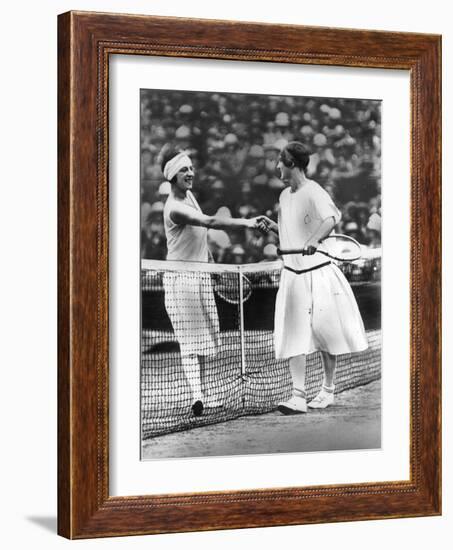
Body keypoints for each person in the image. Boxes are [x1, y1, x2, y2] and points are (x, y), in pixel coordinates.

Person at [260, 142, 368, 414]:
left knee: (325, 333)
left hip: (318, 273)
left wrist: (314, 239)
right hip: (293, 276)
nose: (277, 167)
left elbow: (331, 218)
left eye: (280, 162)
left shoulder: (314, 190)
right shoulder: (284, 196)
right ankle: (298, 395)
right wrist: (273, 228)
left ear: (292, 164)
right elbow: (290, 234)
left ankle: (328, 390)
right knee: (293, 333)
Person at [160, 148, 267, 417]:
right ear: (172, 175)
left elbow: (201, 233)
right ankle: (197, 396)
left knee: (204, 341)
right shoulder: (174, 208)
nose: (191, 173)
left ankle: (203, 396)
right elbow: (208, 221)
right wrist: (248, 222)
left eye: (191, 168)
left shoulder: (190, 196)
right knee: (188, 341)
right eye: (184, 170)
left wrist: (211, 265)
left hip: (200, 275)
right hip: (180, 280)